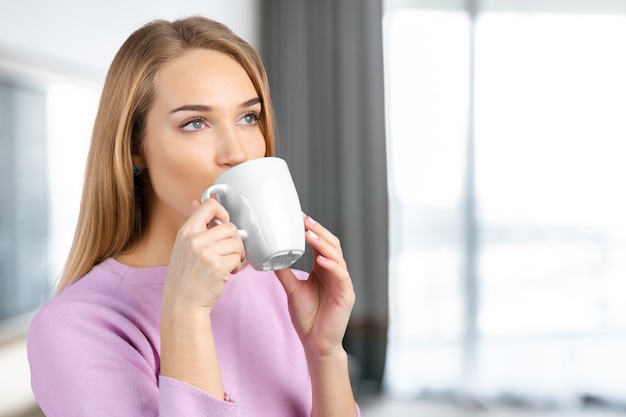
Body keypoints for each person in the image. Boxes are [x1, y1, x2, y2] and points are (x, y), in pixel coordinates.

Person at [27, 16, 360, 417]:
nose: (236, 152)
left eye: (248, 117)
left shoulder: (285, 293)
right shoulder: (75, 328)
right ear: (135, 147)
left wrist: (325, 353)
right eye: (195, 123)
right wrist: (185, 316)